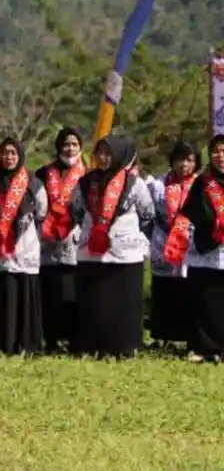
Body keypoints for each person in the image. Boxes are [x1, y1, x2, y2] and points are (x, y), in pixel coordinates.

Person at [70, 134, 154, 358]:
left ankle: (124, 347)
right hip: (92, 252)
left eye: (109, 153)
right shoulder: (85, 182)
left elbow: (147, 214)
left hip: (125, 253)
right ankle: (92, 345)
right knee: (95, 301)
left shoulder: (134, 183)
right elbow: (75, 210)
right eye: (100, 153)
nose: (104, 158)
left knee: (124, 303)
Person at [0, 138, 46, 354]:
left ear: (20, 155)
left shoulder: (33, 182)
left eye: (14, 153)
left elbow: (42, 210)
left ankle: (25, 344)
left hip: (24, 244)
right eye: (6, 153)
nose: (9, 157)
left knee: (22, 290)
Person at [165, 134, 224, 363]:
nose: (221, 156)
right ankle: (207, 348)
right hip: (207, 248)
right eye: (216, 151)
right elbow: (191, 212)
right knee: (207, 300)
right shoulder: (203, 182)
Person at [35, 127, 85, 353]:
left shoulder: (88, 174)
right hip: (47, 243)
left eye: (74, 144)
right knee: (50, 294)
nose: (70, 148)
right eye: (66, 144)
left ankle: (73, 339)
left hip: (75, 241)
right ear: (58, 147)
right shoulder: (43, 173)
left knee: (73, 293)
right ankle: (51, 339)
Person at [148, 141, 198, 349]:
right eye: (180, 159)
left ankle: (190, 337)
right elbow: (148, 215)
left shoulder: (203, 185)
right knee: (164, 291)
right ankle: (162, 336)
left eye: (189, 160)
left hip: (192, 246)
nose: (183, 164)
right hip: (163, 245)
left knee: (190, 292)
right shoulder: (158, 185)